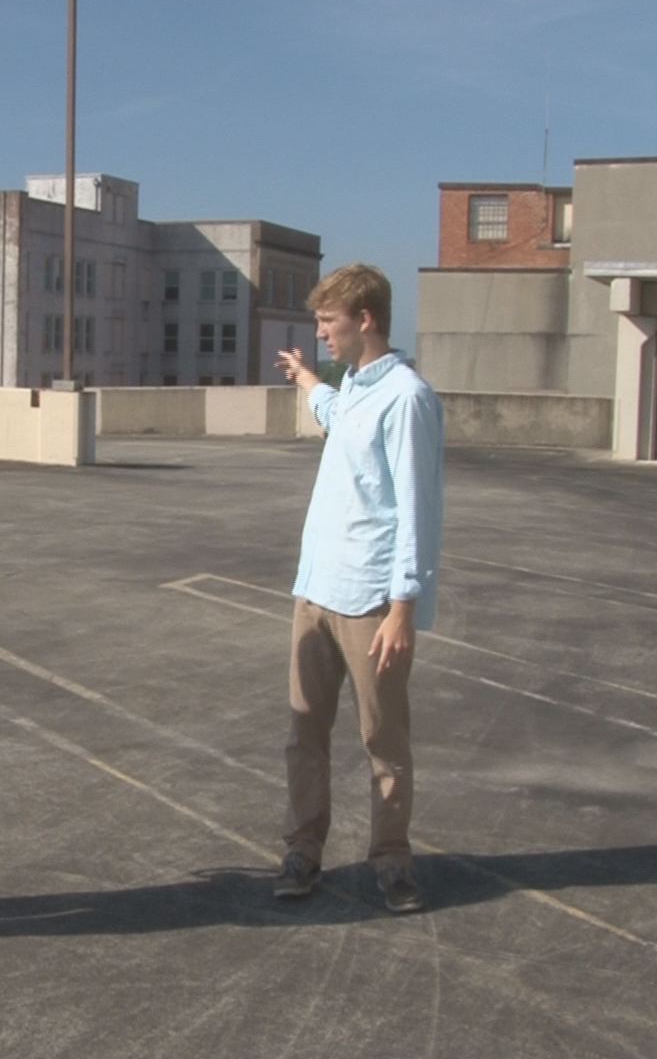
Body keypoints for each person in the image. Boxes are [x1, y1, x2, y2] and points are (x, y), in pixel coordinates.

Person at [272, 263, 445, 914]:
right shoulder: (353, 391)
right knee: (304, 735)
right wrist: (308, 380)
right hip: (315, 594)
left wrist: (403, 609)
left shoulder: (406, 398)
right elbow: (335, 413)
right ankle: (302, 849)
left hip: (372, 602)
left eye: (328, 322)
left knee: (383, 739)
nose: (321, 332)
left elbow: (416, 512)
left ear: (364, 320)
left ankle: (393, 859)